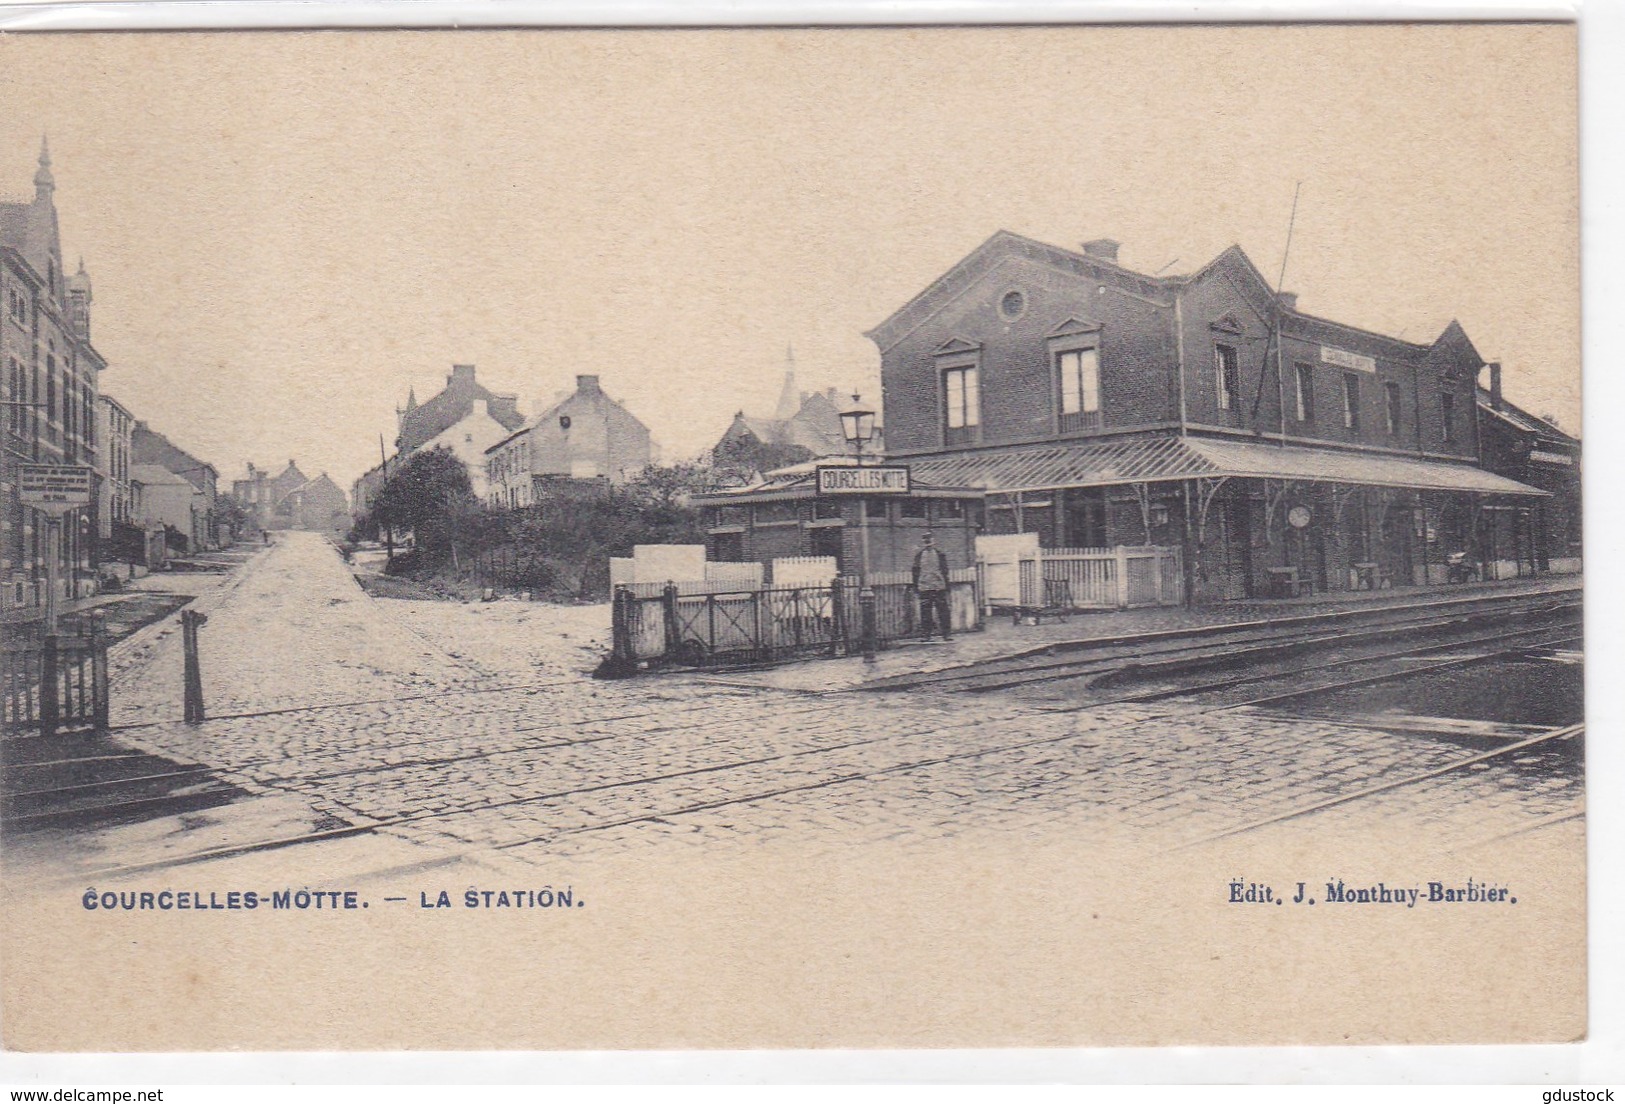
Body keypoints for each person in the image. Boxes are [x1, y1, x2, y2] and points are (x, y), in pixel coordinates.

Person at [912, 531, 952, 641]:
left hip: (939, 586)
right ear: (922, 542)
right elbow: (915, 572)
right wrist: (916, 587)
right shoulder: (919, 556)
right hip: (924, 587)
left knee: (943, 611)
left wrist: (946, 586)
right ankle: (926, 635)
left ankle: (946, 634)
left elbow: (945, 571)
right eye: (925, 540)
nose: (928, 542)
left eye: (930, 539)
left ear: (934, 541)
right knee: (925, 612)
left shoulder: (940, 554)